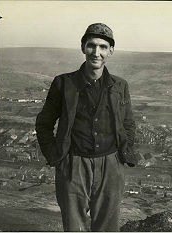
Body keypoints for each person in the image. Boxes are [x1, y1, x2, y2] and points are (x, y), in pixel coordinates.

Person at [35, 23, 138, 232]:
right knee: (74, 227)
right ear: (83, 48)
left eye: (102, 47)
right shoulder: (63, 83)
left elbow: (128, 123)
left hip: (111, 165)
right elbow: (44, 123)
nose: (96, 52)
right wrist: (55, 155)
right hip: (73, 165)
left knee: (107, 228)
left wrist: (122, 154)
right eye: (91, 45)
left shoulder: (120, 86)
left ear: (111, 51)